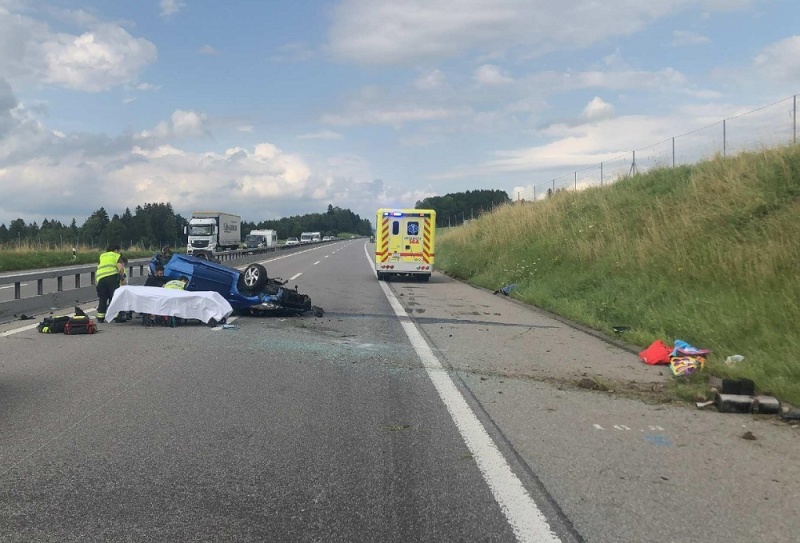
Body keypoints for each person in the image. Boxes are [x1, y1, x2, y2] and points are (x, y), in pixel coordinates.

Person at [95, 244, 124, 323]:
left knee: (102, 298)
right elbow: (120, 267)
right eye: (119, 251)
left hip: (100, 278)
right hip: (111, 278)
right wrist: (122, 276)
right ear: (116, 250)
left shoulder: (102, 256)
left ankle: (100, 317)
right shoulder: (116, 255)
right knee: (115, 297)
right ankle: (117, 316)